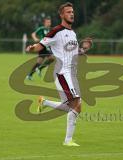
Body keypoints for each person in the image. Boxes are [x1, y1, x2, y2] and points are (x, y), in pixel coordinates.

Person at [26, 2, 85, 146]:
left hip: (72, 74)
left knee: (73, 106)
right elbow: (40, 45)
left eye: (72, 11)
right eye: (68, 12)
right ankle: (68, 141)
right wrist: (32, 48)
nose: (71, 14)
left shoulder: (72, 33)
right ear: (61, 15)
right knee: (76, 105)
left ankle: (44, 102)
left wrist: (80, 51)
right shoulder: (56, 31)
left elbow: (72, 50)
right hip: (63, 73)